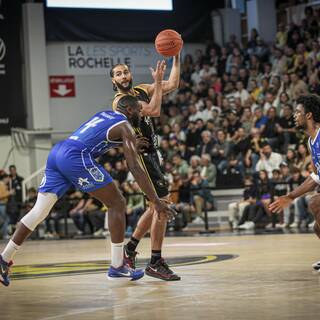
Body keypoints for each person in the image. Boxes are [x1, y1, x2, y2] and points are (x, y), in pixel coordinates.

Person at [0, 62, 175, 286]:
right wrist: (156, 201)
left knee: (39, 211)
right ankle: (118, 265)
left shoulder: (106, 114)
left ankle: (4, 258)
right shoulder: (126, 127)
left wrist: (127, 144)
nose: (143, 115)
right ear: (131, 111)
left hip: (58, 152)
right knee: (118, 204)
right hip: (75, 156)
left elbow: (99, 137)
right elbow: (134, 168)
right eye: (140, 111)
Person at [110, 53, 181, 281]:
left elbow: (173, 84)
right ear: (113, 81)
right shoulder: (121, 101)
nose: (123, 76)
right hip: (141, 157)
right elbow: (153, 110)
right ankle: (155, 261)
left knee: (153, 207)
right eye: (118, 74)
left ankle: (129, 249)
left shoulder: (140, 89)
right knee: (162, 204)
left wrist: (176, 58)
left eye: (125, 71)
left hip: (153, 153)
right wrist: (158, 83)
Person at [269, 95, 320, 272]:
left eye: (298, 112)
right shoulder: (310, 141)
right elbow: (315, 176)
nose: (294, 115)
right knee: (316, 227)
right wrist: (290, 196)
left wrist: (292, 196)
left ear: (309, 115)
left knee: (315, 202)